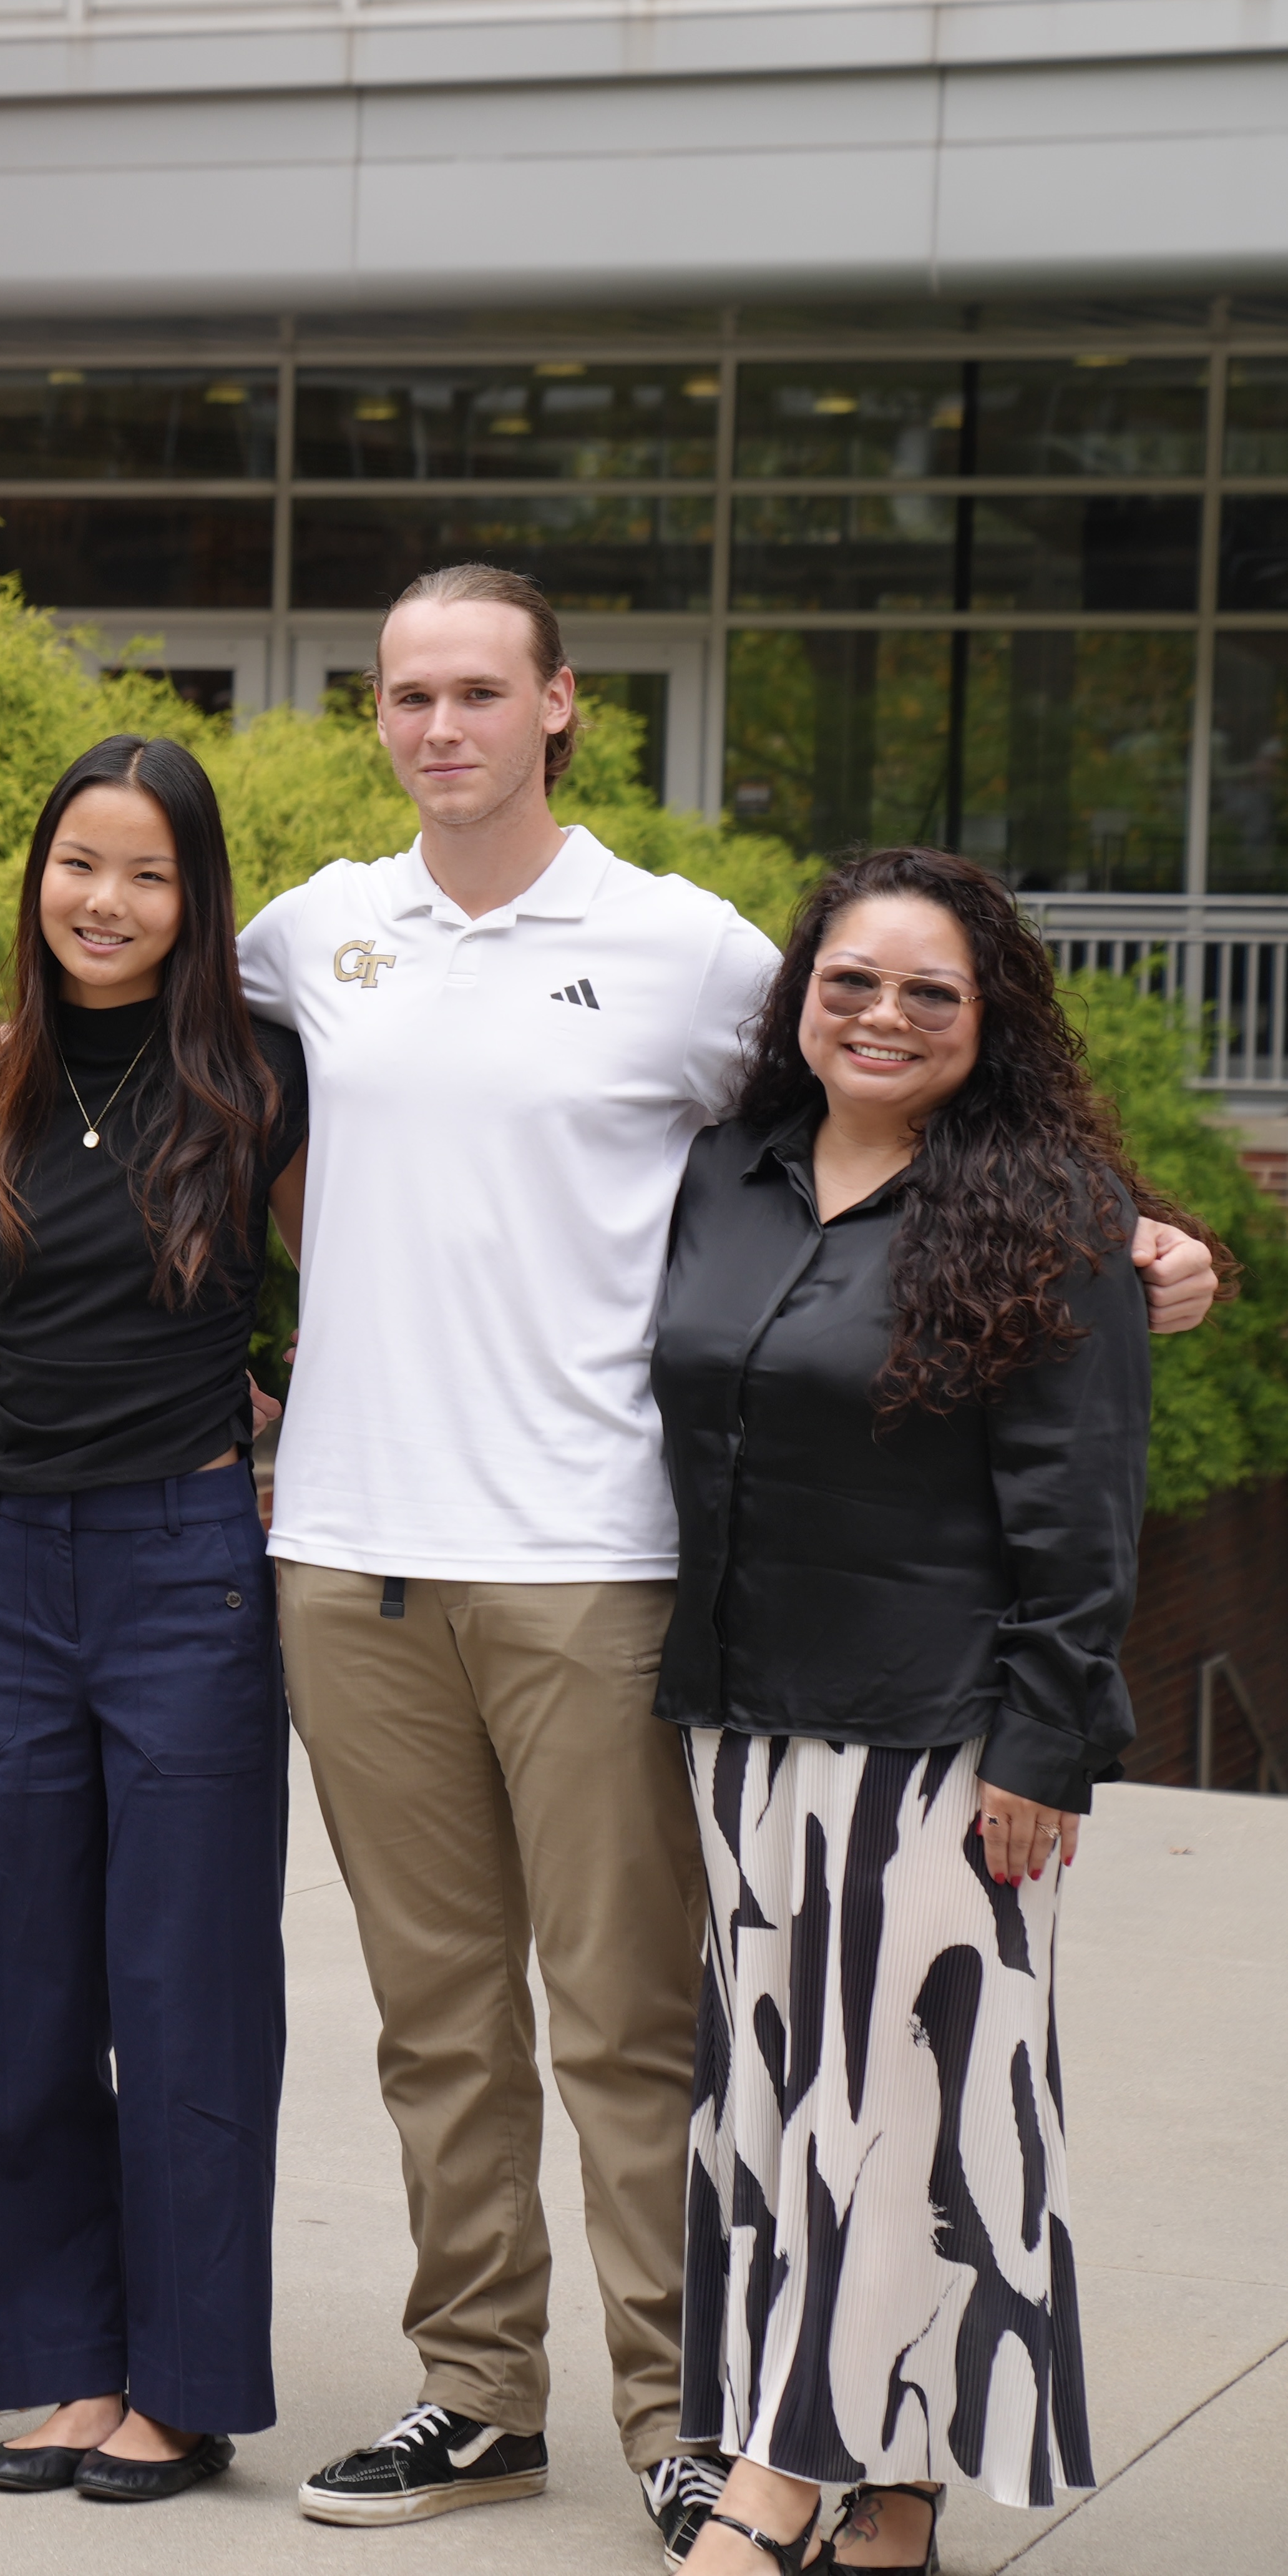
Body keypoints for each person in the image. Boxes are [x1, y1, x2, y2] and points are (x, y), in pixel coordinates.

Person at [239, 565, 1216, 2552]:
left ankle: (698, 2420)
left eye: (476, 693)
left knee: (633, 2034)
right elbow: (94, 1020)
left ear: (558, 707)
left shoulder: (685, 951)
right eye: (404, 694)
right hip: (345, 1558)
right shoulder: (314, 931)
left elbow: (907, 1067)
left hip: (593, 1563)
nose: (438, 727)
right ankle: (475, 2396)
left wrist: (1125, 1233)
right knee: (434, 2026)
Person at [653, 850, 1189, 2576]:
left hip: (935, 1742)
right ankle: (895, 2486)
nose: (879, 1015)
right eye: (848, 982)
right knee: (771, 2110)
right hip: (742, 1721)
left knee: (881, 2124)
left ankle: (778, 2481)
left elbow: (1082, 1499)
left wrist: (1048, 1744)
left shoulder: (1049, 1211)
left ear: (988, 1020)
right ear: (798, 993)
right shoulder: (726, 1176)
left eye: (926, 993)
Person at [0, 734, 303, 2505]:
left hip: (186, 1564)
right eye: (81, 862)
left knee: (187, 1983)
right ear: (37, 875)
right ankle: (60, 2359)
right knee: (18, 1980)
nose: (106, 901)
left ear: (193, 899)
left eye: (147, 873)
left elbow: (361, 1284)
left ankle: (186, 2374)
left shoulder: (260, 1084)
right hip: (5, 1570)